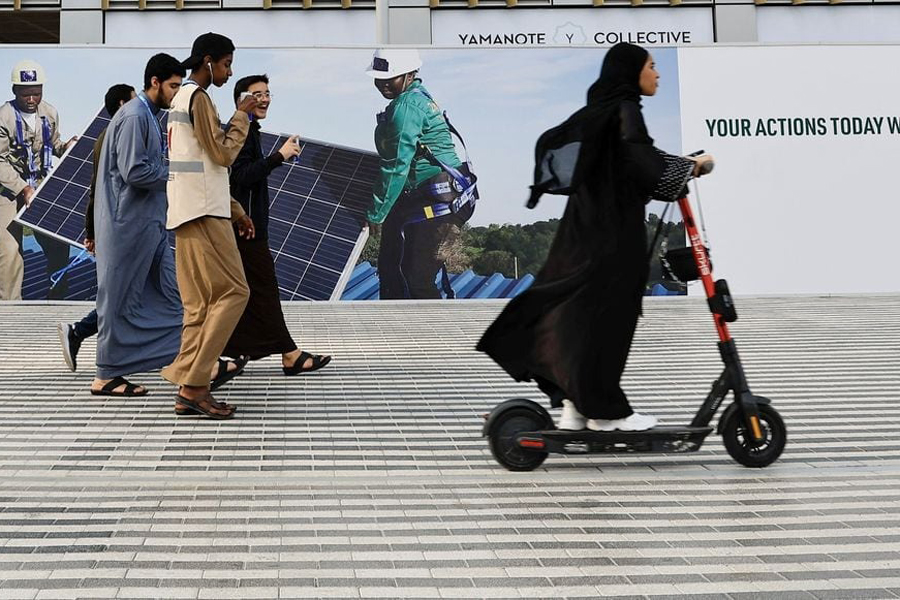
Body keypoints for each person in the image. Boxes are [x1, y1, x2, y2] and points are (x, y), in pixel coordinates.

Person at [476, 43, 714, 432]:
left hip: (582, 236)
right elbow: (643, 164)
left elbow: (630, 161)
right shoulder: (626, 111)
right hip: (611, 240)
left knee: (581, 316)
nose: (658, 74)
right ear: (631, 73)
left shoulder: (598, 111)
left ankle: (576, 406)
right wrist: (693, 168)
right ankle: (608, 412)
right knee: (609, 320)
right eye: (652, 67)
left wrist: (678, 166)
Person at [160, 33, 257, 419]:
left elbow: (199, 164)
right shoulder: (198, 98)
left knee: (199, 305)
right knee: (235, 292)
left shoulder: (181, 99)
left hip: (188, 210)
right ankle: (197, 382)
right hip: (203, 214)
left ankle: (189, 390)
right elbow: (221, 154)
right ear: (208, 61)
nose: (229, 72)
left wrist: (235, 210)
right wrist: (242, 115)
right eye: (227, 64)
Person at [222, 74, 332, 375]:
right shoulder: (239, 132)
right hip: (245, 227)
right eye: (257, 94)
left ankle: (230, 353)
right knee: (264, 290)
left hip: (247, 225)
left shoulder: (250, 130)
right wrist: (278, 157)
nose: (265, 98)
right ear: (241, 99)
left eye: (268, 93)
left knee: (246, 293)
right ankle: (290, 355)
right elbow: (239, 177)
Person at [90, 56, 185, 397]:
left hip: (149, 224)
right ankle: (106, 375)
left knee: (171, 295)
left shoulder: (148, 116)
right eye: (173, 86)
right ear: (155, 82)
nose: (177, 94)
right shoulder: (133, 116)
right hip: (127, 225)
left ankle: (186, 359)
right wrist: (181, 175)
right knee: (117, 301)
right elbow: (135, 172)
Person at [364, 48, 474, 299]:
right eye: (378, 78)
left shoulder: (407, 107)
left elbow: (396, 166)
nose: (382, 84)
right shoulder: (416, 97)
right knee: (392, 269)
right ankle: (394, 329)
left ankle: (430, 333)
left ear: (410, 74)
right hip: (421, 196)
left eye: (389, 77)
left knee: (416, 278)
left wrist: (376, 213)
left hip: (440, 200)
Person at [57, 83, 136, 372]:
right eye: (133, 100)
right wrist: (91, 231)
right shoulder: (112, 137)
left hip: (123, 225)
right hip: (118, 226)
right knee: (121, 294)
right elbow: (97, 188)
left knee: (133, 293)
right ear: (120, 104)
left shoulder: (116, 134)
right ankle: (78, 332)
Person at [0, 60, 77, 300]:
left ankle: (57, 299)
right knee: (9, 250)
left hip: (41, 183)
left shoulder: (50, 113)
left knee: (58, 241)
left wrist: (66, 147)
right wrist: (23, 188)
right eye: (26, 94)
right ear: (15, 91)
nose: (32, 99)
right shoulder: (3, 117)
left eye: (36, 93)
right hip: (8, 189)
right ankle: (10, 309)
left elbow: (53, 145)